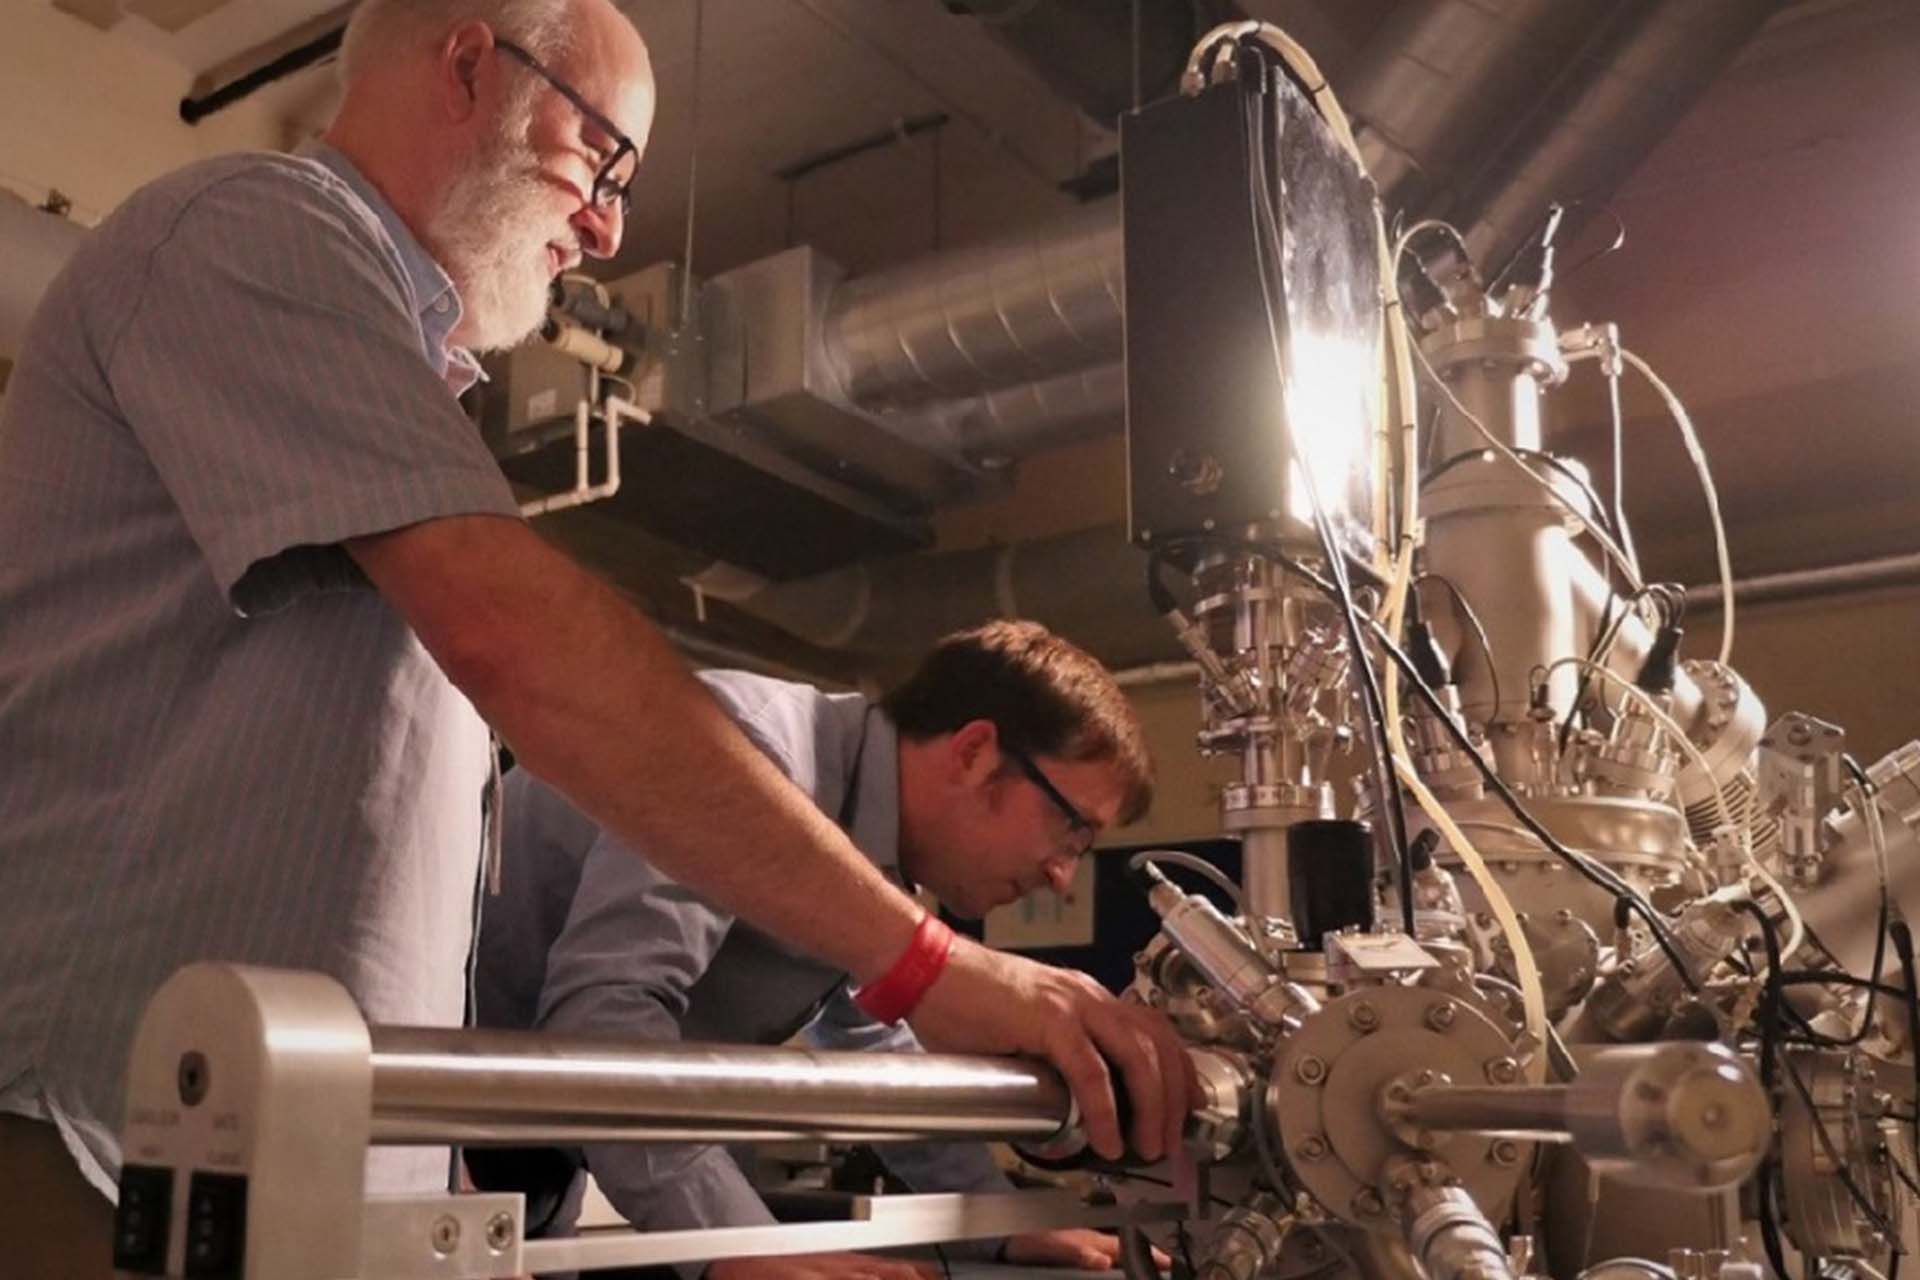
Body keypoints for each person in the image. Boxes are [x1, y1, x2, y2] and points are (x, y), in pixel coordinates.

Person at [0, 1, 1190, 1272]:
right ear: (469, 64)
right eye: (601, 158)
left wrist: (430, 1162)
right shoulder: (248, 230)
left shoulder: (406, 391)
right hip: (107, 1144)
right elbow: (518, 635)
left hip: (292, 1165)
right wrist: (922, 960)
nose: (609, 224)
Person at [472, 621, 1168, 1278]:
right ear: (974, 753)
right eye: (1071, 829)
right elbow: (602, 1013)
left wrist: (994, 1220)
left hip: (537, 1147)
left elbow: (872, 1041)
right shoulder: (754, 753)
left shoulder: (873, 853)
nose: (1062, 874)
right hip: (420, 1133)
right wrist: (737, 1245)